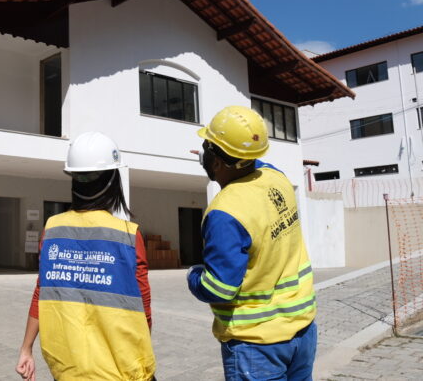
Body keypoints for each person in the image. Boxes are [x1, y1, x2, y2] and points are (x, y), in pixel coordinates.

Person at [187, 105, 317, 380]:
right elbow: (255, 162)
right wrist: (211, 154)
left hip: (257, 345)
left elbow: (220, 289)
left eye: (207, 149)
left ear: (218, 162)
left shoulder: (226, 212)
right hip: (303, 330)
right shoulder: (277, 178)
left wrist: (194, 276)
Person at [16, 131, 156, 381]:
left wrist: (26, 349)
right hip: (121, 370)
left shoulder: (52, 228)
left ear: (74, 180)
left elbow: (42, 292)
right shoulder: (128, 235)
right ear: (113, 181)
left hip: (68, 370)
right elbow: (143, 309)